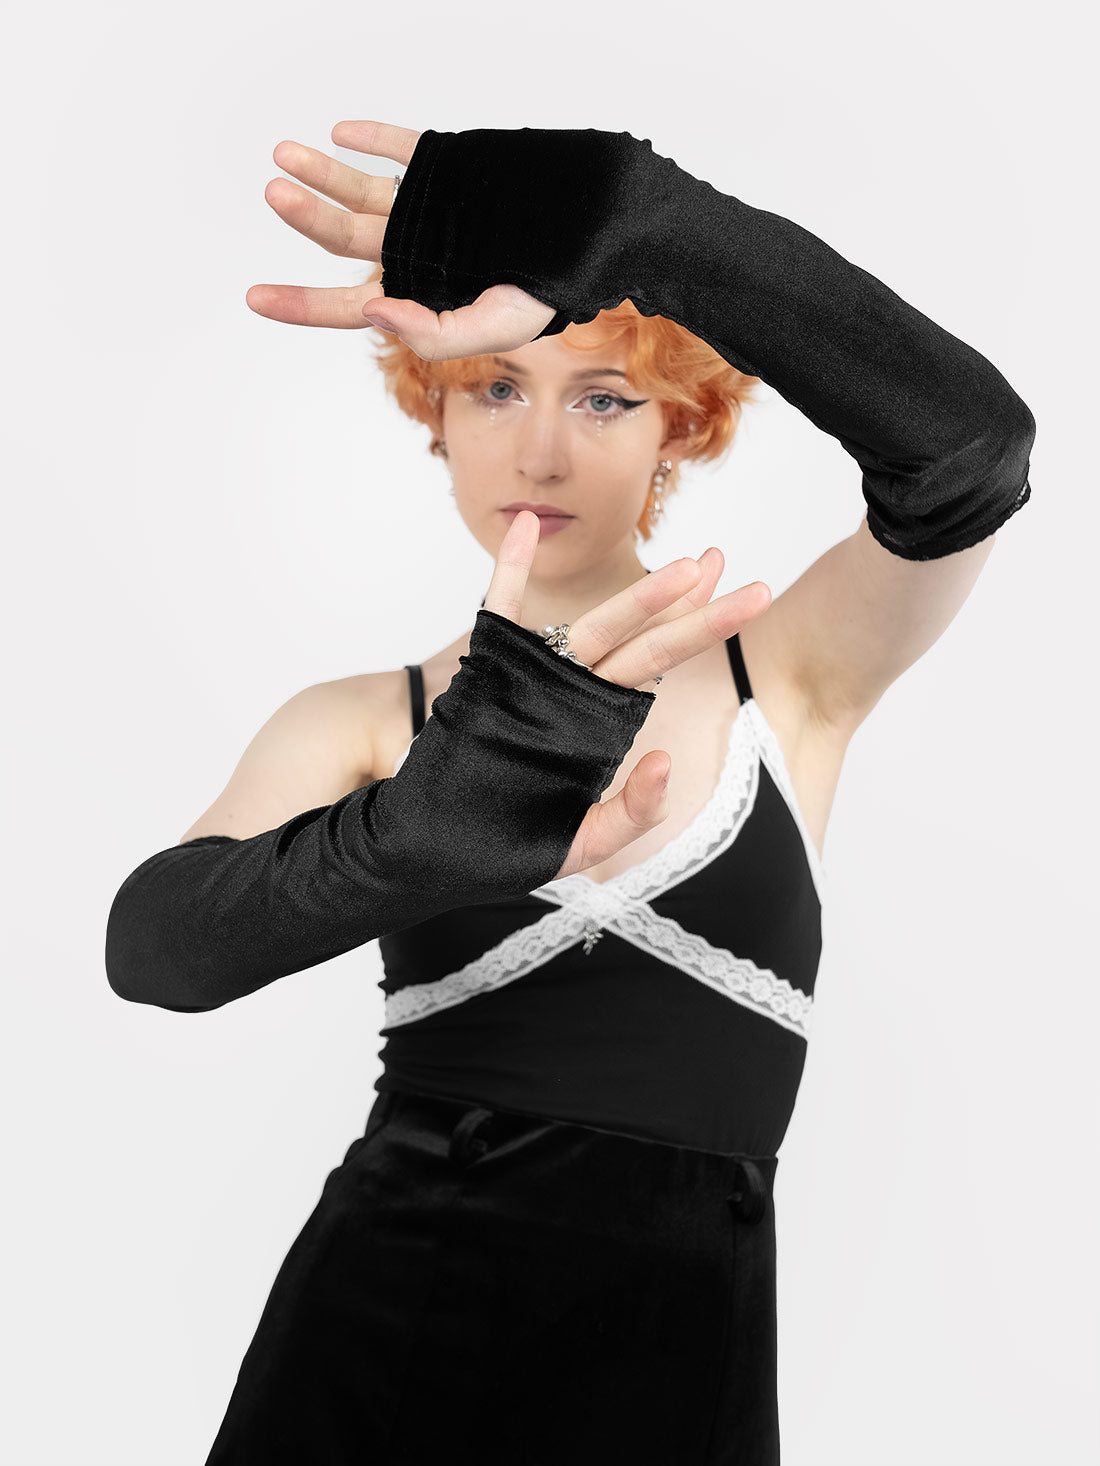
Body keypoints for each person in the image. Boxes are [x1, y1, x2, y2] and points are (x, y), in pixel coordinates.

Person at [104, 120, 1035, 1465]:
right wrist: (417, 831)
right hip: (373, 1357)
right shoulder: (368, 722)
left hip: (681, 1375)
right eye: (496, 389)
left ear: (680, 428)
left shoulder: (791, 675)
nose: (540, 452)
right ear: (435, 413)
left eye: (603, 398)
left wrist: (643, 218)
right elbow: (156, 951)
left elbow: (968, 452)